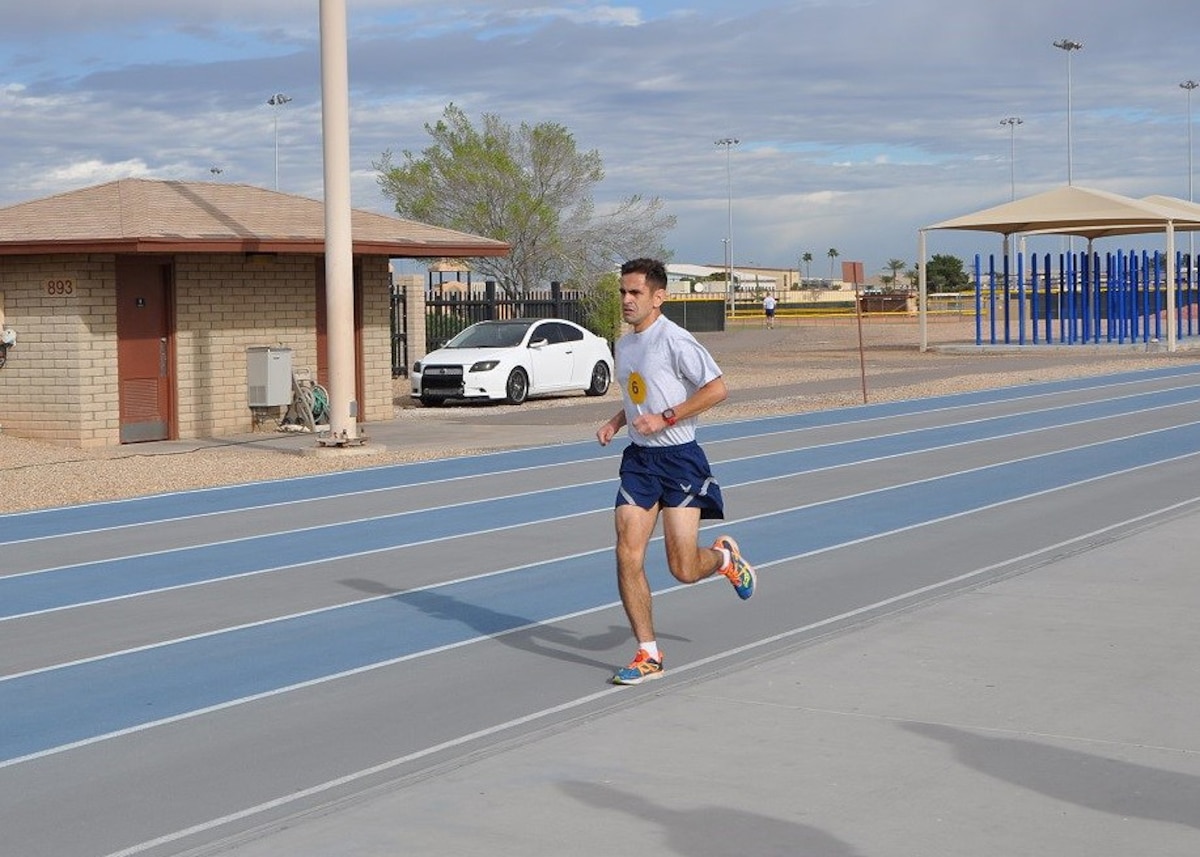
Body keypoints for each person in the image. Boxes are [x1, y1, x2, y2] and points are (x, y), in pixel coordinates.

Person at [596, 258, 756, 686]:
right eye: (623, 292)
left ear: (658, 296)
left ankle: (724, 559)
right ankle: (648, 652)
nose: (627, 300)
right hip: (640, 462)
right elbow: (639, 396)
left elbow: (718, 389)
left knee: (682, 569)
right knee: (627, 552)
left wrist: (665, 418)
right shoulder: (625, 345)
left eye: (636, 293)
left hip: (680, 458)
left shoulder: (676, 340)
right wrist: (618, 420)